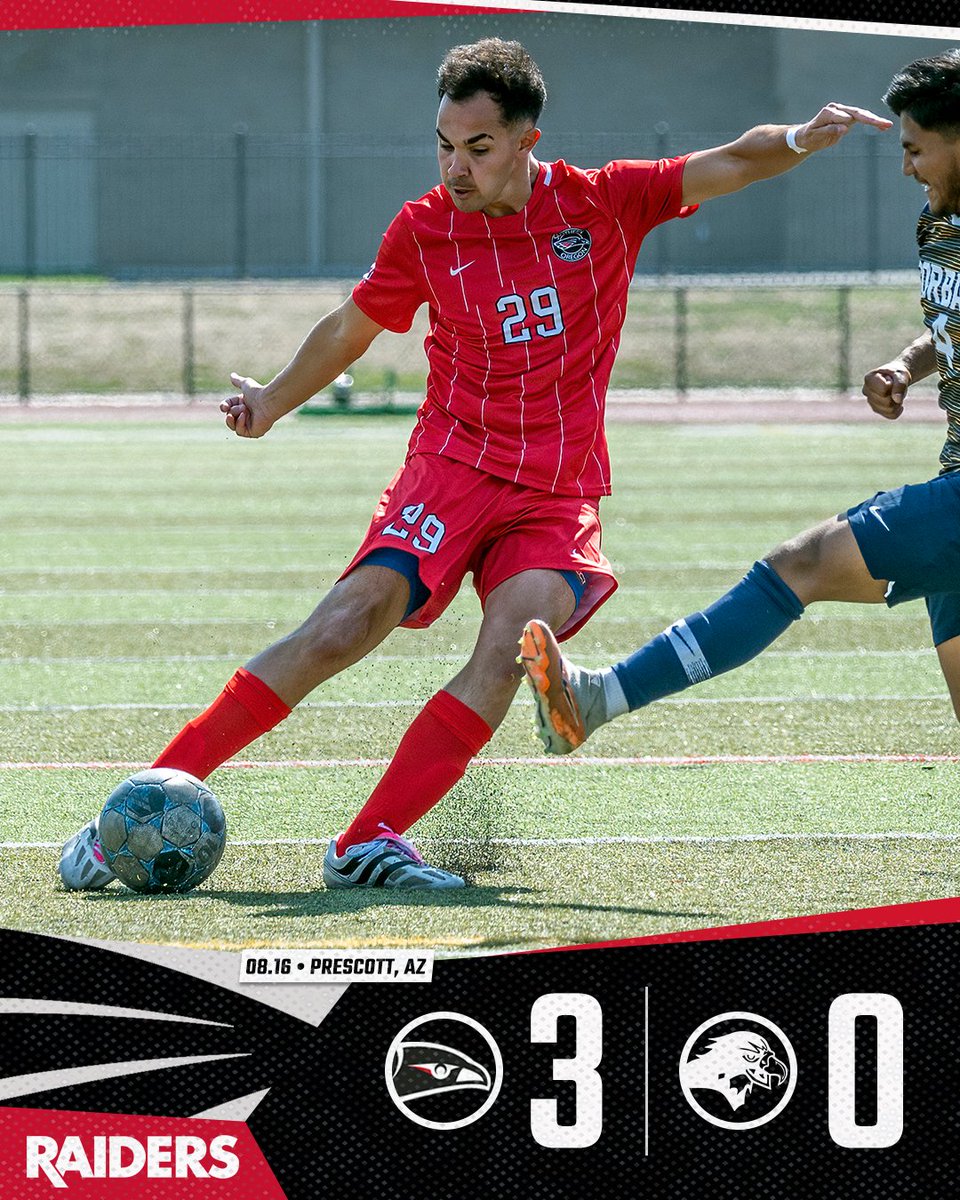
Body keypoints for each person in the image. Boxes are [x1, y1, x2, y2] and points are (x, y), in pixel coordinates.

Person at [59, 38, 889, 891]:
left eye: (478, 148)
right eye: (445, 146)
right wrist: (271, 400)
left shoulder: (603, 203)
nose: (456, 167)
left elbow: (732, 161)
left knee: (511, 651)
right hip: (450, 465)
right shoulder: (424, 229)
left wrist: (800, 138)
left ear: (528, 139)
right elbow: (349, 328)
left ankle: (366, 843)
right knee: (343, 627)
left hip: (555, 493)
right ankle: (128, 813)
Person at [519, 50, 960, 759]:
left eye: (915, 149)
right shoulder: (939, 224)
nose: (905, 168)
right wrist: (906, 363)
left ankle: (601, 697)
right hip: (952, 471)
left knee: (801, 565)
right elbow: (949, 324)